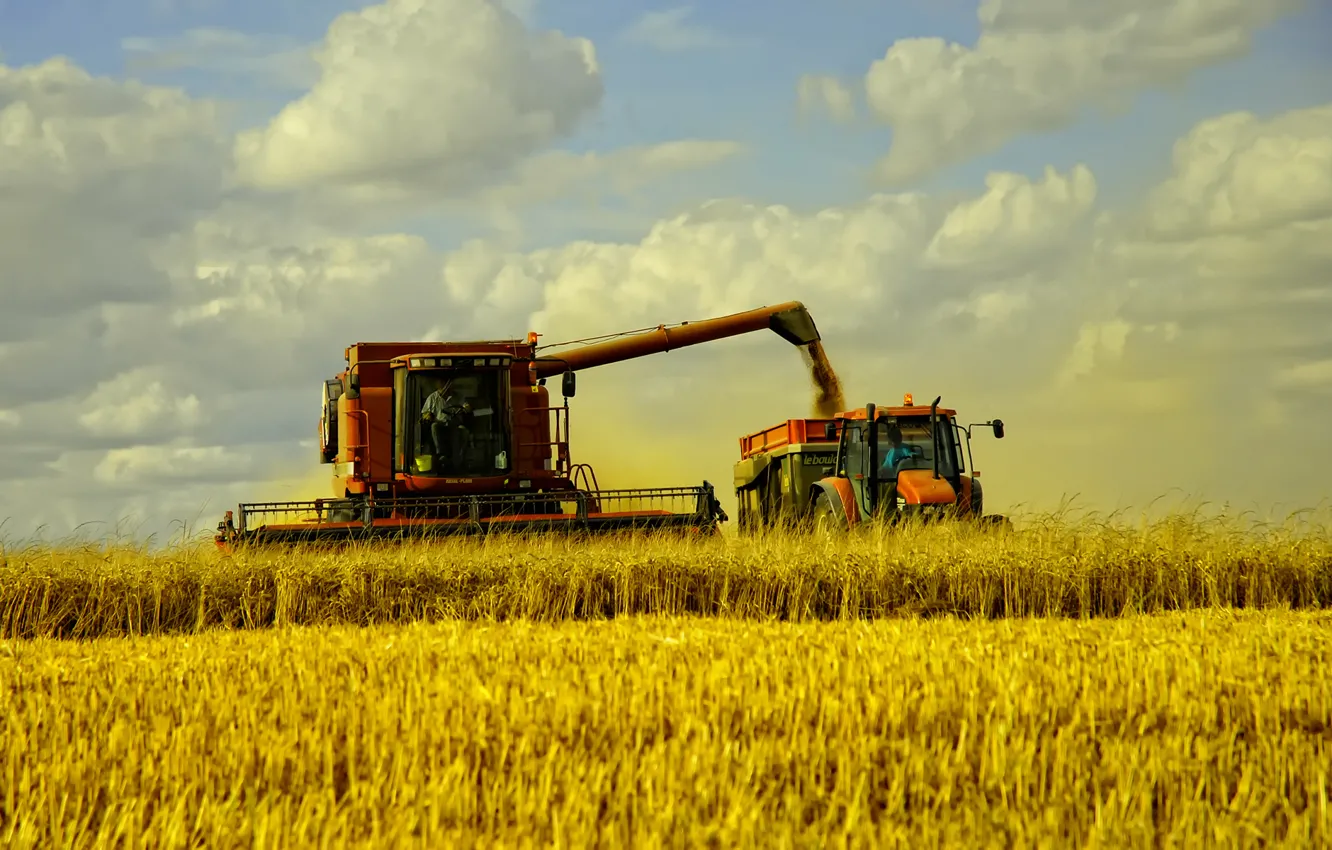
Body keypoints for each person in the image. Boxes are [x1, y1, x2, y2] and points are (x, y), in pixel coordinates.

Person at [421, 379, 471, 469]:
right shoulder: (433, 398)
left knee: (463, 430)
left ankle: (459, 460)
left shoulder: (458, 396)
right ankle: (440, 454)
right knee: (434, 426)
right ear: (438, 385)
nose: (446, 388)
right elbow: (425, 414)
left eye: (448, 384)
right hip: (440, 425)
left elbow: (466, 406)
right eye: (443, 384)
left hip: (455, 425)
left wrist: (467, 407)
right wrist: (427, 415)